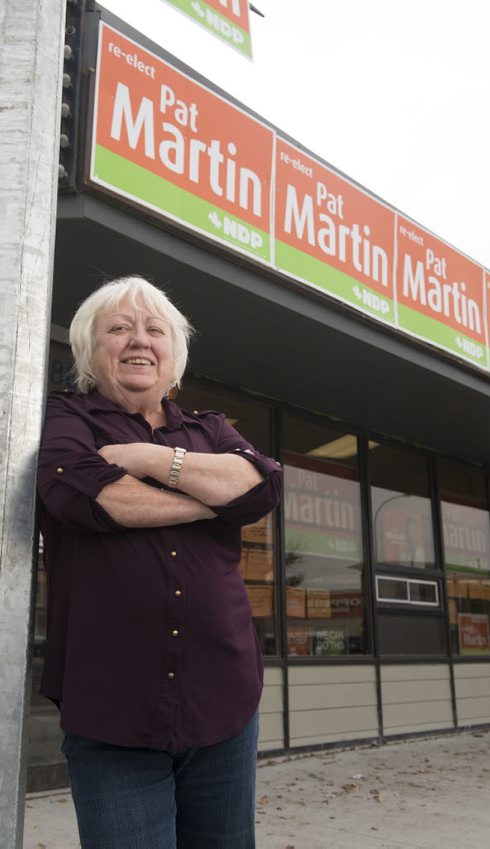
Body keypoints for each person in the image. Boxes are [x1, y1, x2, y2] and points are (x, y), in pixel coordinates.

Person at [37, 276, 282, 849]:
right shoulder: (65, 419)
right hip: (112, 709)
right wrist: (212, 501)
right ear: (90, 352)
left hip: (223, 698)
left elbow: (262, 486)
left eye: (154, 329)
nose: (137, 339)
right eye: (117, 328)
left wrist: (147, 457)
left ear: (175, 353)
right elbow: (93, 497)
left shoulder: (210, 428)